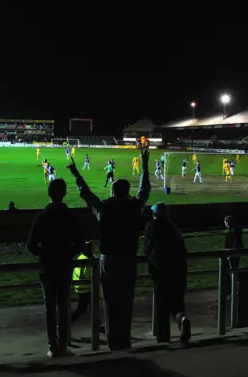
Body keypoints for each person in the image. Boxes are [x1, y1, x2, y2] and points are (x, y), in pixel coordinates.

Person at [66, 146, 151, 351]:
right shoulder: (134, 207)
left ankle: (114, 342)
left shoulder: (103, 209)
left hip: (109, 260)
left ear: (112, 191)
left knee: (111, 301)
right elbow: (144, 191)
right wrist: (145, 167)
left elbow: (86, 194)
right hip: (129, 259)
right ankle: (126, 340)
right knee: (126, 300)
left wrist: (76, 173)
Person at [26, 178, 85, 358]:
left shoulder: (42, 217)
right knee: (64, 306)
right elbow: (80, 243)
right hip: (64, 265)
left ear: (49, 194)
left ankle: (53, 347)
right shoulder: (70, 217)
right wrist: (68, 253)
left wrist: (44, 254)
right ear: (64, 193)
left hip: (47, 267)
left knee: (49, 307)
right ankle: (63, 346)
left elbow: (30, 245)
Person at [144, 203, 191, 344]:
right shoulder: (173, 227)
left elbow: (148, 248)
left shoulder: (152, 226)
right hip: (179, 271)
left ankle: (163, 339)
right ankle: (182, 320)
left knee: (162, 307)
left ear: (155, 214)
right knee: (177, 304)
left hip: (162, 272)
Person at [71, 242, 105, 333]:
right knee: (84, 308)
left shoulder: (81, 257)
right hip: (86, 288)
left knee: (91, 306)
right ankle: (68, 323)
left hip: (81, 287)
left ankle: (98, 324)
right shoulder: (88, 260)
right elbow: (90, 274)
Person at [224, 215, 244, 296]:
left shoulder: (233, 232)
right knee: (233, 271)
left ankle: (232, 291)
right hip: (234, 254)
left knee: (231, 272)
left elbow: (235, 243)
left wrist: (230, 253)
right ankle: (233, 290)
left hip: (232, 255)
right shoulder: (235, 231)